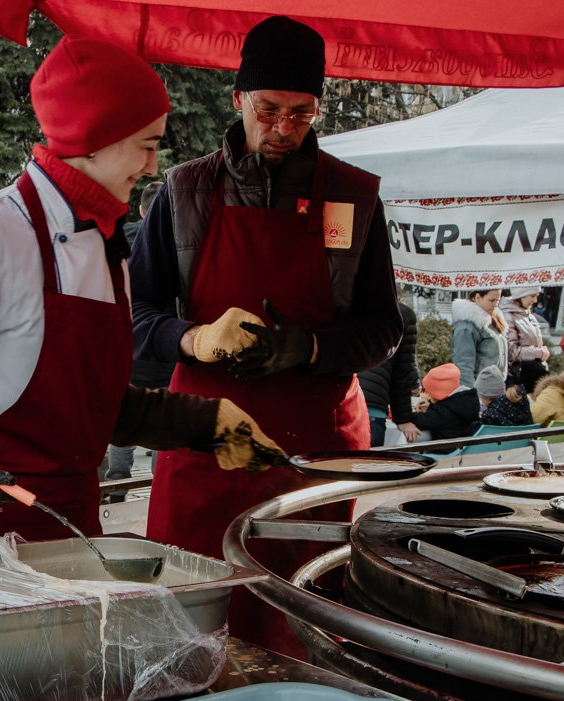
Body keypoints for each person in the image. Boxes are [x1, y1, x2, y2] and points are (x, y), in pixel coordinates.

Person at [0, 35, 282, 557]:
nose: (152, 166)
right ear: (92, 139)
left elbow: (91, 406)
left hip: (69, 536)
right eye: (147, 145)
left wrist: (205, 422)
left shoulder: (104, 247)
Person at [127, 16, 401, 656]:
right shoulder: (184, 191)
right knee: (193, 613)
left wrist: (308, 349)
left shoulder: (355, 199)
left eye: (301, 115)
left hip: (313, 449)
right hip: (202, 439)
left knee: (300, 616)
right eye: (268, 110)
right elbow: (134, 315)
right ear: (238, 102)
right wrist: (192, 340)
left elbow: (384, 327)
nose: (283, 130)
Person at [105, 181, 173, 502]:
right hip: (166, 352)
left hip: (125, 349)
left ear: (142, 209)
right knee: (163, 425)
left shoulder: (119, 238)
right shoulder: (178, 242)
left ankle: (116, 490)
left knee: (122, 418)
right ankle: (160, 495)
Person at [359, 300, 419, 445]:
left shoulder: (343, 304)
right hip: (371, 407)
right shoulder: (402, 314)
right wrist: (403, 418)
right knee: (368, 465)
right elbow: (402, 372)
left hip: (335, 403)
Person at [451, 289, 507, 387]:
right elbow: (464, 366)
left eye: (497, 301)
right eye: (491, 300)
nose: (495, 304)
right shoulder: (466, 326)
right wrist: (471, 395)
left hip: (494, 387)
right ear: (477, 297)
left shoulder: (493, 319)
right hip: (479, 389)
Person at [409, 363, 478, 442]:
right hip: (462, 448)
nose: (428, 395)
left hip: (446, 450)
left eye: (430, 392)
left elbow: (420, 421)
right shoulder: (464, 402)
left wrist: (403, 413)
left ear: (438, 394)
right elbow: (446, 415)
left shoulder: (441, 413)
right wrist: (431, 407)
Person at [501, 285, 550, 394]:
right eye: (532, 296)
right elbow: (511, 352)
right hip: (518, 378)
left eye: (537, 296)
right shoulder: (507, 315)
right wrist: (539, 352)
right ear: (520, 295)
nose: (535, 300)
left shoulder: (529, 315)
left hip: (533, 374)